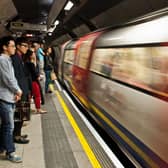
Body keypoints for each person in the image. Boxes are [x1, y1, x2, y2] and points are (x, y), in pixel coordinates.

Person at [0, 36, 22, 162]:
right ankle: (10, 152)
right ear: (5, 47)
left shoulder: (7, 59)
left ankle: (2, 147)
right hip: (4, 98)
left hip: (9, 97)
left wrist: (17, 92)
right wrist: (18, 90)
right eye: (12, 46)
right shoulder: (2, 60)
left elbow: (12, 78)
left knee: (6, 126)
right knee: (9, 127)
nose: (14, 48)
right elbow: (8, 79)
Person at [11, 37, 31, 144]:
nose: (27, 48)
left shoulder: (20, 57)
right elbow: (15, 76)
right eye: (25, 46)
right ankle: (16, 136)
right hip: (19, 90)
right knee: (19, 115)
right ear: (18, 46)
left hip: (23, 89)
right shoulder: (14, 58)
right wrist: (18, 91)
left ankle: (18, 133)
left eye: (28, 46)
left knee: (22, 114)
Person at [24, 49, 47, 114]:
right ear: (30, 55)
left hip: (30, 81)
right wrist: (39, 77)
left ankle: (31, 109)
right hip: (33, 81)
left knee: (31, 95)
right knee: (37, 95)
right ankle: (38, 109)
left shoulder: (26, 62)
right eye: (33, 53)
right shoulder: (31, 63)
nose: (34, 54)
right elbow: (34, 73)